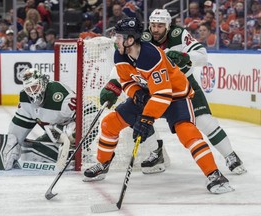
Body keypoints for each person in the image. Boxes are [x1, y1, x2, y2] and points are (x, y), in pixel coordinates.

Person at [83, 17, 234, 194]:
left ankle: (215, 175)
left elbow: (163, 94)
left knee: (187, 132)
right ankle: (103, 163)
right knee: (110, 123)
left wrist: (146, 119)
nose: (116, 40)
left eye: (119, 36)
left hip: (176, 96)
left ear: (130, 39)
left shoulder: (150, 56)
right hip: (149, 95)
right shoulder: (120, 54)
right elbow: (126, 80)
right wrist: (136, 93)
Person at [141, 9, 246, 174]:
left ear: (168, 26)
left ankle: (230, 155)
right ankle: (156, 153)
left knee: (205, 121)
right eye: (153, 25)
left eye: (160, 26)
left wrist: (185, 56)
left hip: (185, 85)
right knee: (141, 118)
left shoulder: (179, 34)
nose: (155, 29)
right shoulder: (144, 39)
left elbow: (202, 55)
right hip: (157, 87)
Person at [0, 68, 81, 170]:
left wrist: (75, 134)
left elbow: (88, 113)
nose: (32, 92)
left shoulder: (59, 94)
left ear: (42, 83)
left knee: (71, 132)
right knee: (29, 151)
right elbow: (16, 132)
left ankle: (76, 153)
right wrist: (8, 148)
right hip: (55, 134)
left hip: (71, 132)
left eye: (34, 87)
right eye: (28, 89)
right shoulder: (25, 99)